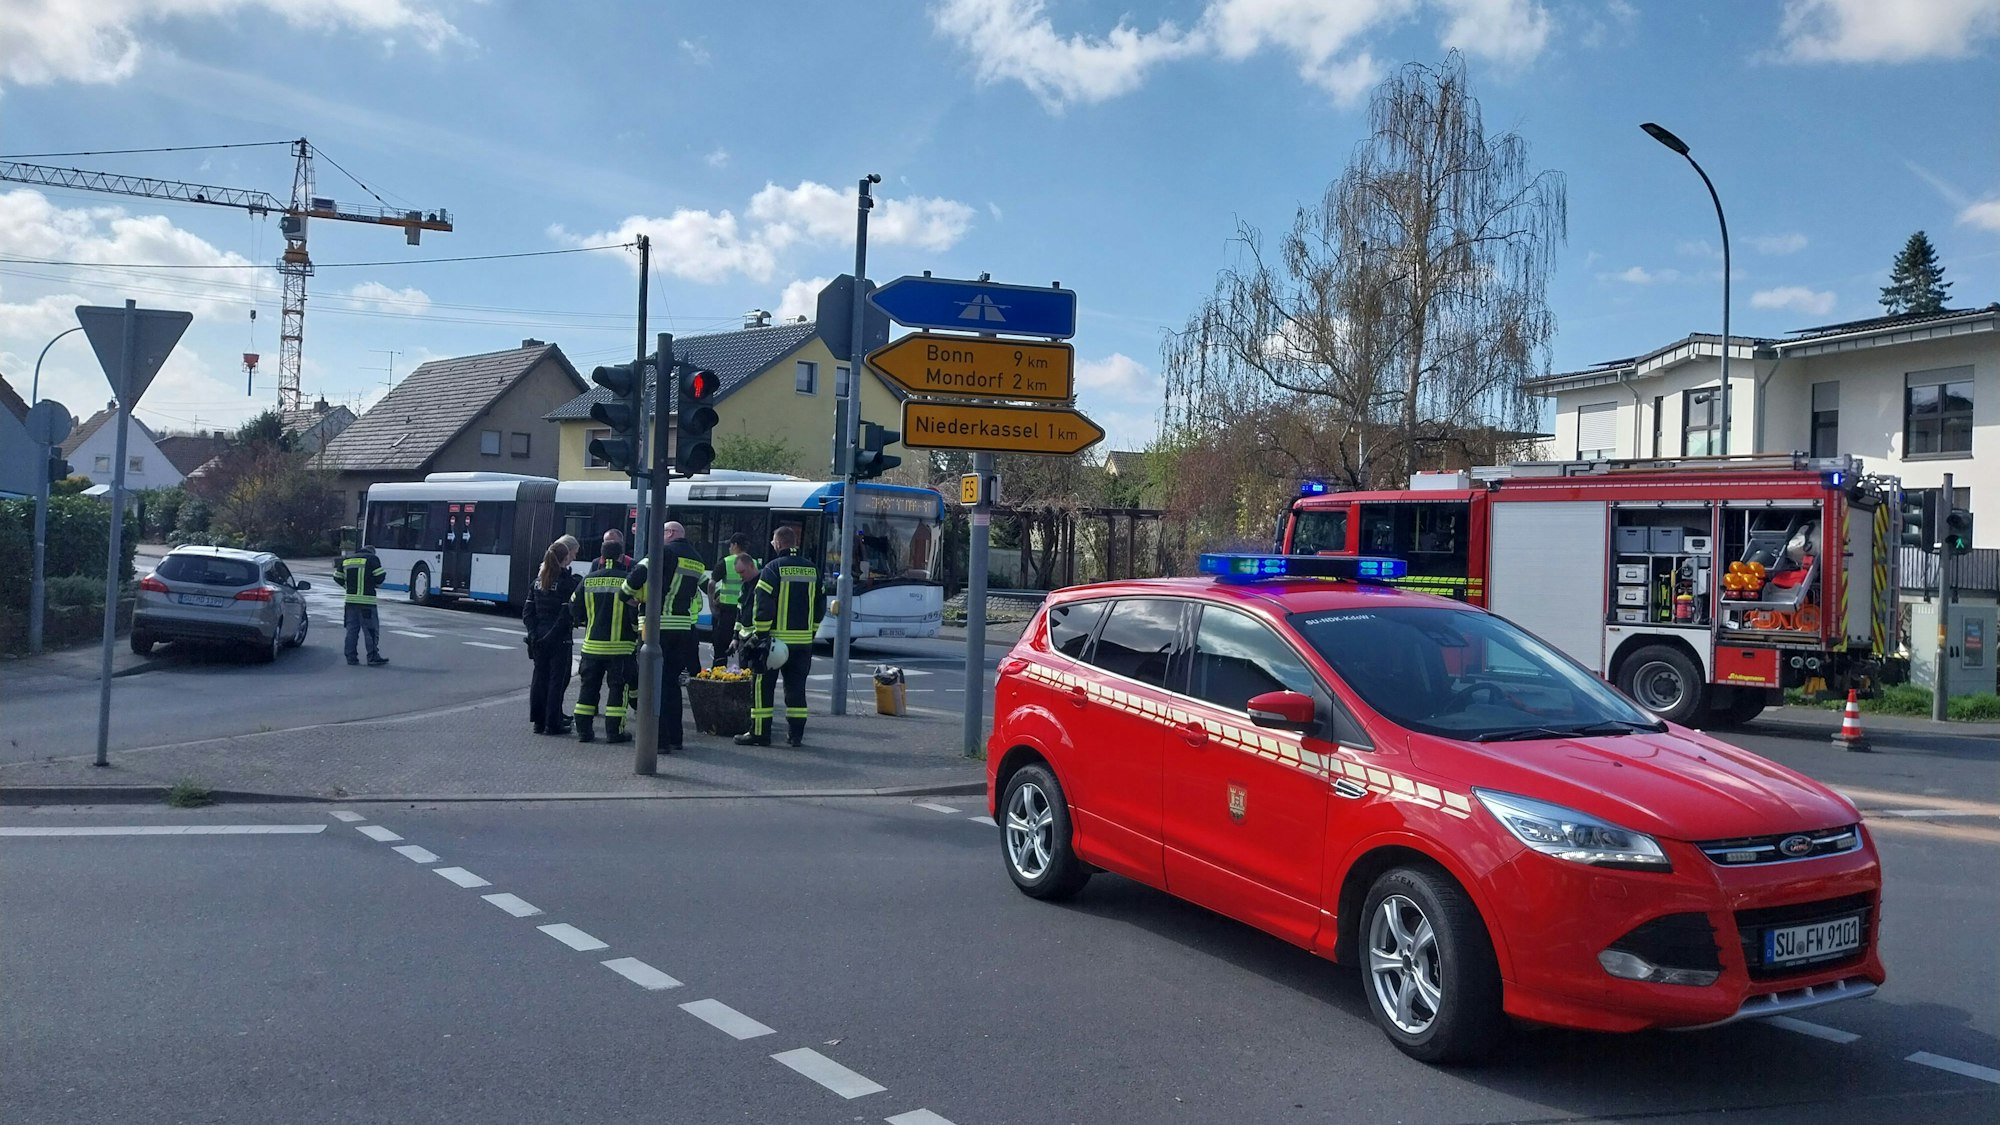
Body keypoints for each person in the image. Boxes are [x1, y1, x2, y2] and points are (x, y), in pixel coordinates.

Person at [624, 521, 710, 754]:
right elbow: (709, 586)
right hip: (683, 629)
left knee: (653, 684)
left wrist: (630, 597)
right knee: (672, 685)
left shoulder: (662, 553)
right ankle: (675, 737)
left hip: (656, 628)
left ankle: (658, 741)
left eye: (661, 532)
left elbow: (631, 582)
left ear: (670, 533)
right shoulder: (697, 559)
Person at [737, 523, 822, 748]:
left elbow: (763, 604)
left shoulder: (773, 568)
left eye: (774, 542)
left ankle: (759, 734)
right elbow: (820, 605)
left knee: (762, 687)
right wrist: (811, 632)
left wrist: (760, 635)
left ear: (778, 543)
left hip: (774, 642)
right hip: (803, 643)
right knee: (796, 690)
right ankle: (795, 736)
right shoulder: (812, 569)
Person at [571, 531, 638, 744]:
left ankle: (583, 731)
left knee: (588, 689)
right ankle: (614, 732)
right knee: (618, 691)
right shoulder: (627, 582)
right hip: (621, 649)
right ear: (621, 557)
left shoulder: (588, 580)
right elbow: (635, 614)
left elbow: (574, 608)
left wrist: (586, 620)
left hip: (591, 647)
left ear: (601, 556)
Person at [523, 537, 581, 735]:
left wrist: (533, 635)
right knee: (557, 681)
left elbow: (528, 613)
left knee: (539, 680)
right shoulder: (566, 583)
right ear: (565, 559)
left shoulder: (537, 583)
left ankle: (538, 722)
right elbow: (566, 615)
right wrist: (551, 636)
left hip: (538, 638)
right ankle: (552, 722)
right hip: (558, 639)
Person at [334, 538, 389, 667]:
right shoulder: (372, 559)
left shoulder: (347, 560)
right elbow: (380, 576)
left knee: (351, 631)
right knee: (370, 631)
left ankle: (351, 657)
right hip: (367, 602)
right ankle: (372, 657)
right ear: (372, 552)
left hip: (350, 602)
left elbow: (337, 577)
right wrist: (373, 583)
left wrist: (347, 586)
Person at [707, 533, 756, 668]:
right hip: (745, 612)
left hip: (727, 612)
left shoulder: (726, 562)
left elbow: (711, 584)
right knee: (745, 650)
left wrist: (712, 605)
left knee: (721, 648)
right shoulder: (754, 563)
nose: (729, 548)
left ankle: (718, 678)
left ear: (735, 545)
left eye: (730, 545)